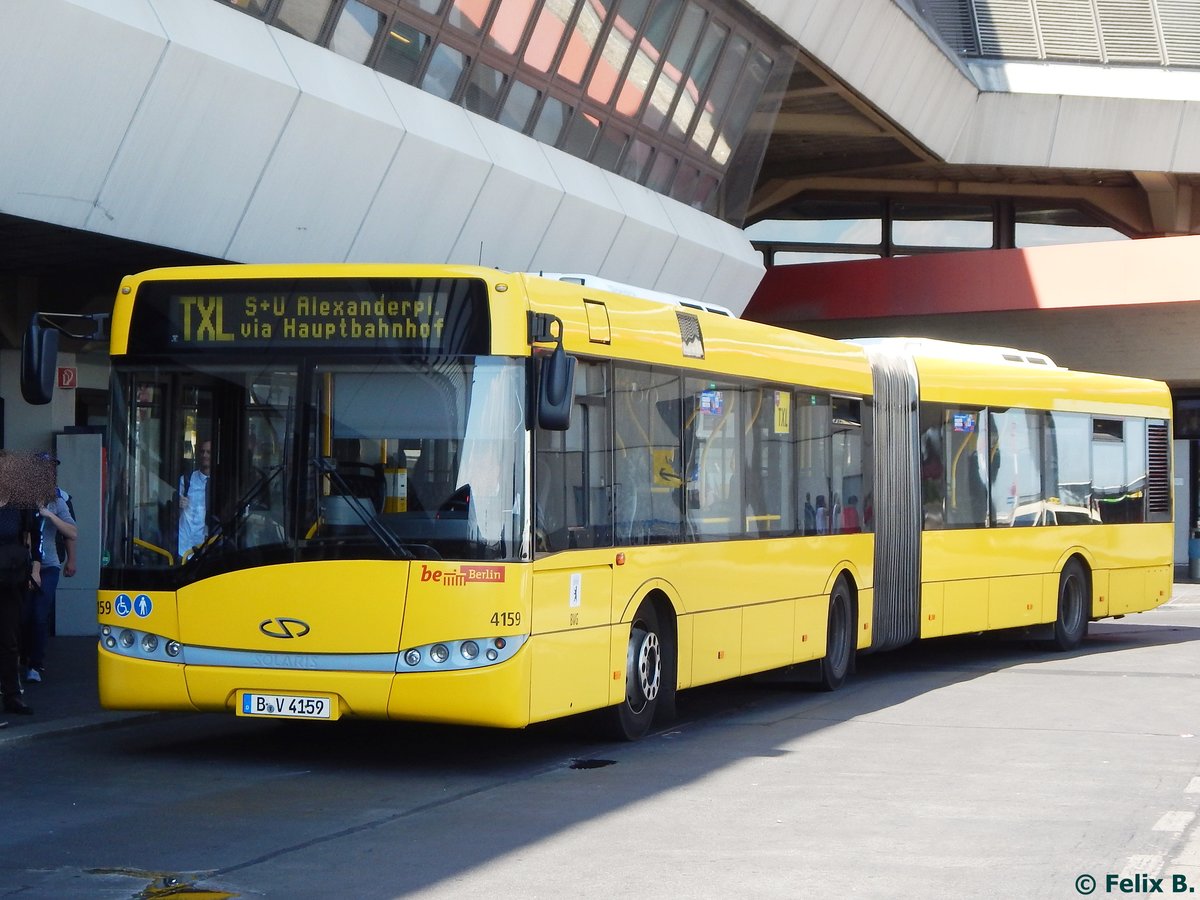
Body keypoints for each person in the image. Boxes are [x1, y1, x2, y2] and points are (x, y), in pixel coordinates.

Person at [22, 452, 77, 684]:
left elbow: (72, 532)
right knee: (22, 615)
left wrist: (72, 561)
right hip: (23, 567)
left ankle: (35, 664)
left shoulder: (59, 499)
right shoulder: (22, 498)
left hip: (49, 565)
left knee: (39, 614)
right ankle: (20, 660)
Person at [0, 452, 40, 715]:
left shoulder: (19, 502)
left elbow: (31, 536)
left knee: (9, 639)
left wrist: (35, 568)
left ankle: (12, 696)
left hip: (11, 577)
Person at [178, 438, 212, 561]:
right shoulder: (186, 480)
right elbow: (173, 504)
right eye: (202, 452)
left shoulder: (219, 484)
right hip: (184, 545)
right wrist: (178, 503)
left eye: (209, 452)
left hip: (206, 546)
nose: (205, 455)